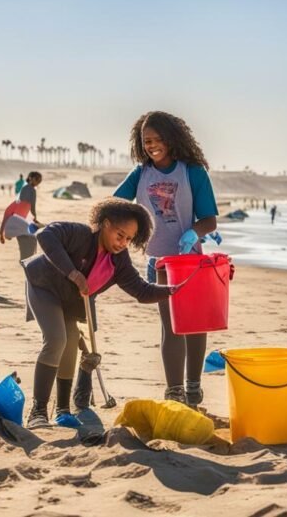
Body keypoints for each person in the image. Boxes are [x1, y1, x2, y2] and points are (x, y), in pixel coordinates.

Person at [21, 199, 176, 428]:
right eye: (120, 235)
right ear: (105, 224)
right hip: (44, 286)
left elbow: (142, 291)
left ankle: (63, 410)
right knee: (56, 339)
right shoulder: (80, 234)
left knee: (72, 341)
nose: (123, 243)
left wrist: (174, 290)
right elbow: (45, 235)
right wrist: (73, 273)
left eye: (129, 239)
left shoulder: (119, 261)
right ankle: (38, 411)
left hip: (72, 302)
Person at [113, 111, 219, 407]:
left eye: (159, 139)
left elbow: (209, 220)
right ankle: (174, 392)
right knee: (171, 325)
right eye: (147, 141)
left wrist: (192, 233)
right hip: (159, 262)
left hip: (190, 260)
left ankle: (194, 387)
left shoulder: (192, 172)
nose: (152, 145)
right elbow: (115, 205)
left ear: (173, 139)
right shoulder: (141, 173)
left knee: (194, 324)